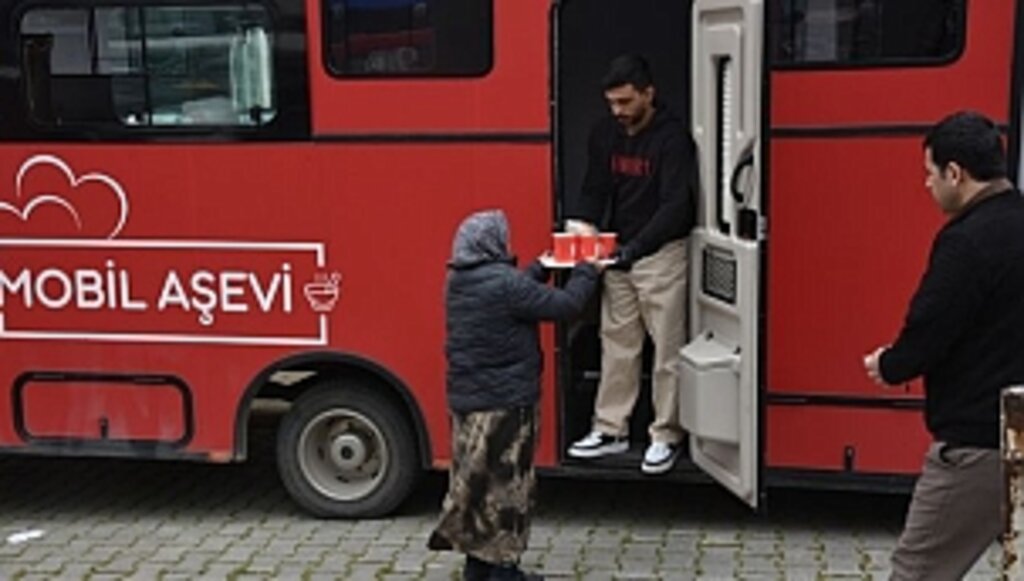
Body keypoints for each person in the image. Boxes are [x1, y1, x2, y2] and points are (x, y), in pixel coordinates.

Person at [863, 111, 1024, 580]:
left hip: (978, 442)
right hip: (1017, 417)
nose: (927, 185)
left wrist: (890, 365)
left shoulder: (966, 242)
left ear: (956, 173)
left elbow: (931, 325)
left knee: (917, 573)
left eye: (930, 173)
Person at [428, 210, 600, 581]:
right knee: (507, 489)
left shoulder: (460, 279)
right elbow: (565, 306)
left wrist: (541, 265)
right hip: (506, 406)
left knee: (477, 486)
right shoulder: (505, 285)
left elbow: (516, 295)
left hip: (469, 403)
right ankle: (504, 571)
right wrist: (588, 267)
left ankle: (477, 568)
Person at [566, 54, 699, 474]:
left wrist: (633, 249)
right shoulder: (605, 133)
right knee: (617, 344)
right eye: (612, 103)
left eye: (625, 102)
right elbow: (595, 187)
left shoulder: (672, 138)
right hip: (620, 251)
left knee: (668, 351)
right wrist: (582, 230)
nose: (618, 112)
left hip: (661, 253)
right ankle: (610, 429)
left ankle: (666, 434)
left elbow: (676, 206)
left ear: (648, 94)